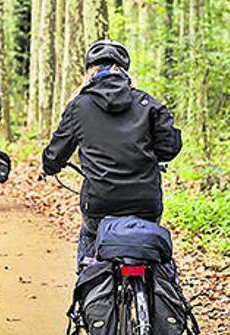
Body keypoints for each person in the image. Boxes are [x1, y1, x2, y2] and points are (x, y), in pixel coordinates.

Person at [41, 40, 183, 267]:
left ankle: (86, 295)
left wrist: (49, 166)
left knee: (89, 240)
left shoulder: (79, 106)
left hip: (100, 203)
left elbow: (56, 152)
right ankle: (165, 290)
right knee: (156, 256)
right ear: (124, 71)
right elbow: (169, 148)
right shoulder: (148, 103)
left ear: (90, 72)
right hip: (145, 202)